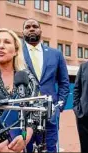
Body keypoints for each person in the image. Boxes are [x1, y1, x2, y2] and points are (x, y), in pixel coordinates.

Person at [22, 18, 70, 152]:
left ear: (40, 30)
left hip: (50, 112)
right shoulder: (16, 53)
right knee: (26, 148)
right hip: (24, 112)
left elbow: (64, 82)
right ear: (23, 31)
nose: (31, 29)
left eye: (35, 26)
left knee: (50, 148)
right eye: (27, 26)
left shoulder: (56, 54)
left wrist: (59, 105)